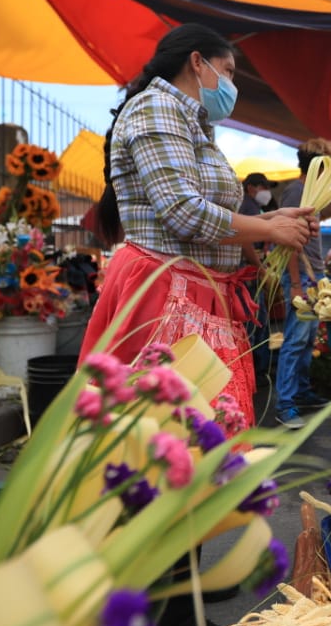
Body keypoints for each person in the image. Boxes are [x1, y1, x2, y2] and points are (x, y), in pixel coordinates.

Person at [82, 23, 316, 430]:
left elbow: (202, 210)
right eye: (226, 71)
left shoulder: (193, 123)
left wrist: (272, 220)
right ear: (197, 62)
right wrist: (269, 231)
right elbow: (185, 213)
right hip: (164, 291)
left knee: (201, 435)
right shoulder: (158, 108)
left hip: (195, 290)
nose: (229, 84)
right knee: (169, 437)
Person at [274, 138, 331, 428]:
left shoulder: (312, 193)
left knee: (308, 340)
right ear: (315, 166)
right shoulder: (296, 191)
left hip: (314, 274)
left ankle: (301, 392)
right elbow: (287, 240)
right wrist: (295, 282)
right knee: (295, 340)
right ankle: (285, 404)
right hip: (301, 276)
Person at [238, 172, 277, 377]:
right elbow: (245, 240)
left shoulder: (252, 206)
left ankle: (257, 372)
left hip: (252, 270)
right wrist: (260, 268)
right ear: (251, 187)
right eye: (263, 187)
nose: (266, 192)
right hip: (248, 273)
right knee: (253, 324)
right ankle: (250, 373)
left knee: (258, 322)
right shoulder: (248, 206)